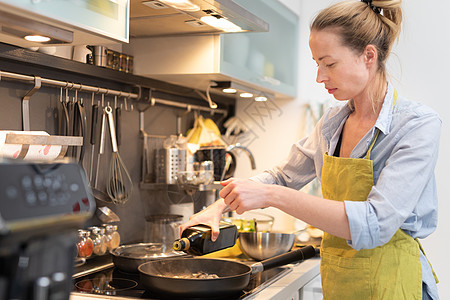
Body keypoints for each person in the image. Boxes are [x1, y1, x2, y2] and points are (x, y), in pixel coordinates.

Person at [179, 0, 441, 298]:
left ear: (368, 56)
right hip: (341, 284)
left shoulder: (417, 125)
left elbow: (374, 224)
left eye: (329, 63)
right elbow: (281, 176)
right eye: (317, 64)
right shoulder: (333, 122)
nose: (320, 76)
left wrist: (271, 196)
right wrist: (217, 207)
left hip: (394, 285)